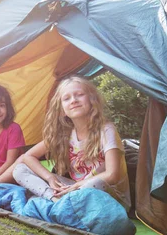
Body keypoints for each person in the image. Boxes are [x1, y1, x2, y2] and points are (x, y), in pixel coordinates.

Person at [12, 76, 130, 210]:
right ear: (62, 110)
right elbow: (28, 157)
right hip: (74, 190)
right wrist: (50, 177)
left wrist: (77, 186)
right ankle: (55, 200)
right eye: (67, 98)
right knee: (20, 169)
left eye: (79, 95)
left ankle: (60, 204)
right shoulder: (65, 134)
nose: (74, 100)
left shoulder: (106, 130)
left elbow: (112, 175)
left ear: (92, 100)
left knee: (96, 182)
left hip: (108, 197)